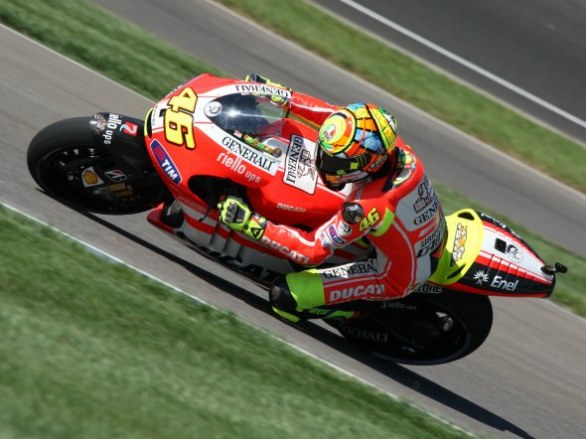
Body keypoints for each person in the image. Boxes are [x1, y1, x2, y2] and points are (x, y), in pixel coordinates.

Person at [217, 74, 447, 323]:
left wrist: (252, 224)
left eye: (335, 162)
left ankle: (358, 310)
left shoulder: (371, 205)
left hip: (395, 274)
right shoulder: (386, 144)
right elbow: (329, 114)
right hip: (421, 233)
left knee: (285, 296)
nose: (323, 164)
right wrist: (284, 97)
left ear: (367, 164)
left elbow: (311, 251)